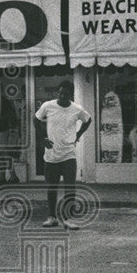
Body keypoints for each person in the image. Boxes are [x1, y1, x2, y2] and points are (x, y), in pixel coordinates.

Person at [34, 80, 92, 229]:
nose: (62, 96)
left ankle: (68, 219)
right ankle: (52, 217)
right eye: (60, 93)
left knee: (70, 187)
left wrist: (78, 134)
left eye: (65, 94)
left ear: (71, 95)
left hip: (68, 154)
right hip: (51, 154)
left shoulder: (77, 109)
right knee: (51, 187)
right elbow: (36, 119)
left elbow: (88, 120)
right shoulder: (48, 106)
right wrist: (42, 138)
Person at [0, 78, 21, 184]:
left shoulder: (2, 101)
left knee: (3, 154)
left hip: (2, 130)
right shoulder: (0, 101)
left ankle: (13, 176)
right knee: (0, 155)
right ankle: (3, 176)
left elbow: (9, 116)